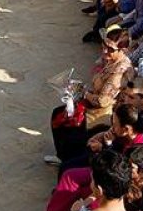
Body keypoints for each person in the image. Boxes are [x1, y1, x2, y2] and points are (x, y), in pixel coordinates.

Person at [48, 26, 135, 164]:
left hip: (101, 115)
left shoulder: (119, 72)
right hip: (93, 106)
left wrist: (83, 92)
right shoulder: (112, 61)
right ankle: (63, 155)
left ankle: (68, 159)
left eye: (111, 49)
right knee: (58, 113)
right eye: (104, 45)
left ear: (123, 50)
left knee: (66, 122)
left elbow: (102, 101)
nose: (105, 50)